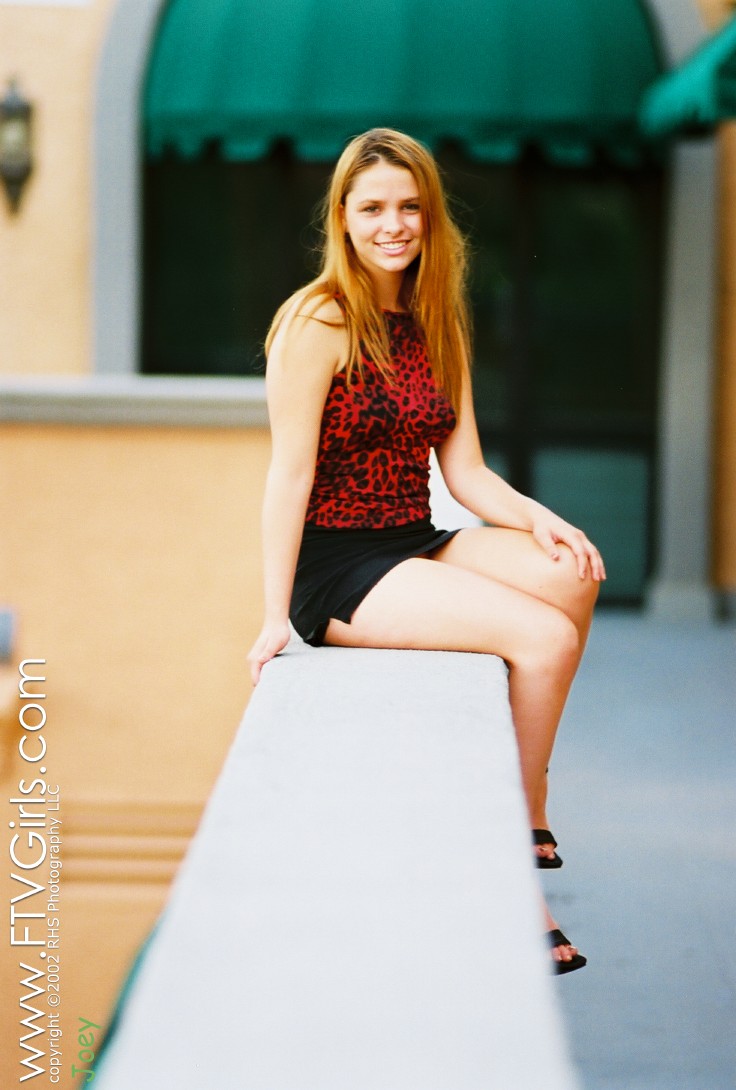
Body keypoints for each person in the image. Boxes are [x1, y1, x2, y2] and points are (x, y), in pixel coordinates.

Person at [247, 128, 605, 974]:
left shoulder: (436, 316)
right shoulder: (317, 321)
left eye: (409, 207)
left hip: (414, 537)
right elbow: (288, 477)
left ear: (431, 217)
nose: (393, 225)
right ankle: (514, 845)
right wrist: (272, 615)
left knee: (571, 572)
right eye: (373, 207)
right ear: (342, 216)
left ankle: (526, 798)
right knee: (543, 637)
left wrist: (543, 519)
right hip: (338, 567)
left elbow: (466, 470)